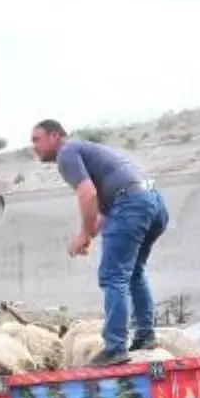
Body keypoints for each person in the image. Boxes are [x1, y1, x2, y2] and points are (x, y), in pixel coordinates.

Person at [31, 119, 170, 366]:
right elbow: (103, 214)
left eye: (36, 140)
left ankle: (116, 346)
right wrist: (86, 236)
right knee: (134, 272)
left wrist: (83, 235)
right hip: (151, 202)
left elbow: (88, 194)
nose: (34, 147)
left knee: (113, 276)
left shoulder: (67, 154)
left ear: (55, 136)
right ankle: (146, 335)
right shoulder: (92, 153)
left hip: (131, 203)